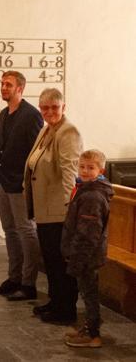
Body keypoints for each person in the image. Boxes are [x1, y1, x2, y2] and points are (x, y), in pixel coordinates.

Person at [23, 88, 82, 323]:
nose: (49, 112)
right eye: (45, 108)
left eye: (54, 107)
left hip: (59, 210)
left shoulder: (68, 132)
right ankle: (55, 302)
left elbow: (70, 172)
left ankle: (66, 311)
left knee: (60, 263)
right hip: (45, 209)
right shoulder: (47, 129)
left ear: (63, 107)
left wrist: (69, 209)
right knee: (50, 260)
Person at [0, 71, 44, 300]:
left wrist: (29, 182)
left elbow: (37, 152)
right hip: (2, 181)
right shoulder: (4, 114)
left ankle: (28, 284)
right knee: (10, 231)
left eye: (8, 85)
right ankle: (14, 277)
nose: (3, 88)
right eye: (2, 84)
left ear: (20, 88)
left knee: (26, 232)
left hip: (20, 184)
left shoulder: (31, 115)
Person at [61, 149, 113, 348]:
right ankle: (90, 327)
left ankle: (93, 335)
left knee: (89, 294)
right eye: (82, 166)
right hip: (85, 254)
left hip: (86, 255)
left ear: (101, 170)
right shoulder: (86, 189)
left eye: (90, 168)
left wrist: (77, 260)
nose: (84, 171)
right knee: (87, 292)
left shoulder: (92, 196)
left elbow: (88, 234)